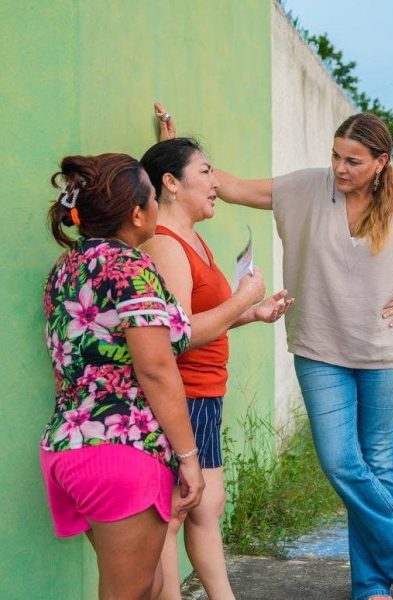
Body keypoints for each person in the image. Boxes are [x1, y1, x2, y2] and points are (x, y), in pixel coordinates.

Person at [156, 105, 393, 600]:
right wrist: (177, 158)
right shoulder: (307, 187)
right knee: (339, 460)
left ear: (380, 162)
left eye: (353, 160)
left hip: (389, 352)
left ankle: (372, 586)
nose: (340, 168)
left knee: (377, 467)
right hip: (320, 347)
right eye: (335, 156)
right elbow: (236, 186)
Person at [40, 153, 205, 599]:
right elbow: (154, 368)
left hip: (69, 449)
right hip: (121, 451)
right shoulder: (131, 267)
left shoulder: (66, 269)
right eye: (154, 198)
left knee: (147, 586)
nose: (157, 206)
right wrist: (189, 457)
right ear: (137, 213)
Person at [139, 135, 292, 600]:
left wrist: (252, 312)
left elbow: (199, 318)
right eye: (205, 172)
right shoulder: (165, 246)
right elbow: (177, 333)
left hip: (205, 392)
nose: (215, 182)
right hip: (182, 393)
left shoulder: (192, 238)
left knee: (205, 506)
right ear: (170, 183)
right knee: (175, 511)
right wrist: (242, 299)